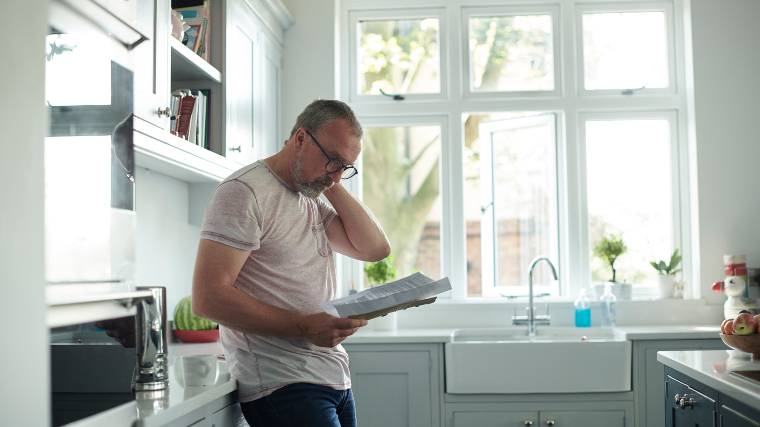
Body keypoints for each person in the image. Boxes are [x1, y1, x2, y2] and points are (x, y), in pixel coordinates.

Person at [192, 99, 390, 427]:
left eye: (346, 167)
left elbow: (374, 248)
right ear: (299, 139)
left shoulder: (308, 197)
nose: (337, 174)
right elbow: (208, 297)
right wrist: (306, 326)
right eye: (332, 160)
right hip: (282, 384)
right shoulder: (244, 192)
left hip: (333, 378)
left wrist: (329, 179)